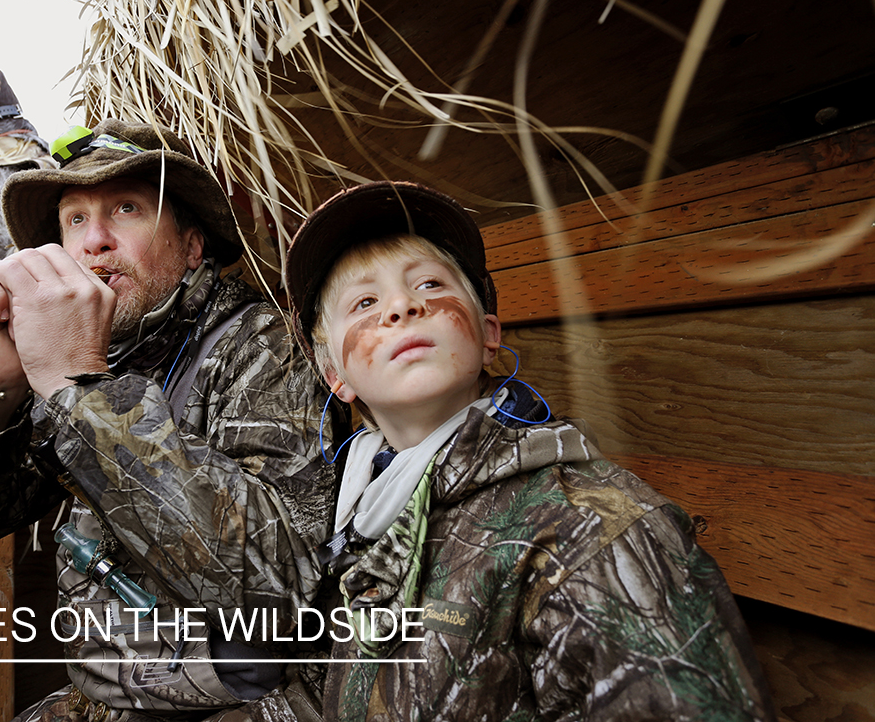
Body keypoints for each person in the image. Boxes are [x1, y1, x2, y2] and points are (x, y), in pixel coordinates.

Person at [0, 119, 348, 722]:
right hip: (96, 699)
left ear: (192, 248)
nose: (95, 241)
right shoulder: (77, 349)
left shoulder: (261, 346)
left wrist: (79, 389)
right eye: (75, 218)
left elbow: (279, 593)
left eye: (127, 209)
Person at [283, 180, 777, 722]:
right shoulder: (356, 511)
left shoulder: (588, 530)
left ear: (489, 333)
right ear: (335, 376)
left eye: (428, 283)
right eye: (366, 302)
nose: (403, 305)